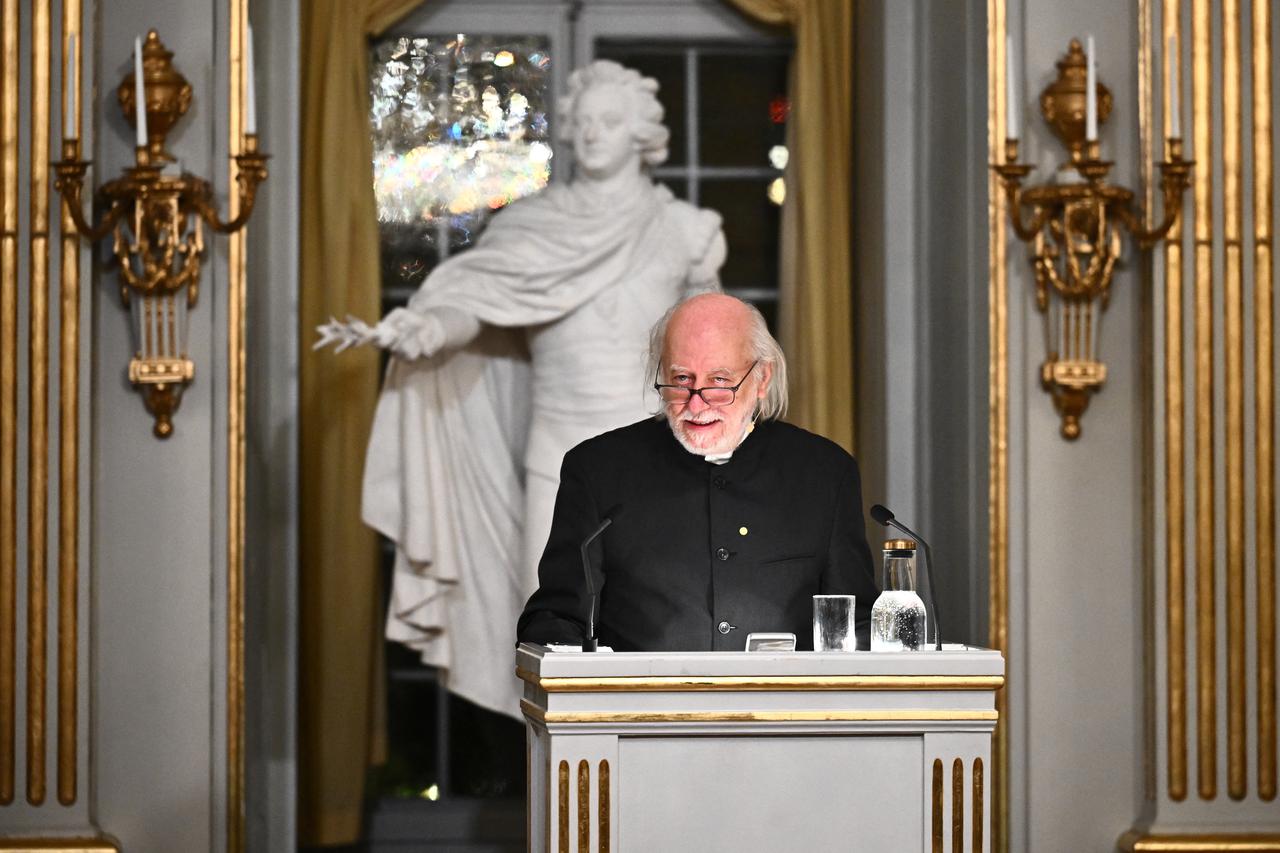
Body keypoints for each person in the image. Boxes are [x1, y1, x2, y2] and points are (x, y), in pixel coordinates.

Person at [318, 60, 727, 717]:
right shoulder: (529, 229)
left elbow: (713, 347)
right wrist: (429, 326)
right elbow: (477, 306)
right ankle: (561, 806)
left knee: (660, 634)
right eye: (582, 120)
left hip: (659, 460)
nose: (593, 133)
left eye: (610, 121)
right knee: (555, 637)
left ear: (641, 132)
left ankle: (645, 806)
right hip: (557, 459)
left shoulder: (687, 231)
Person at [517, 293, 878, 651]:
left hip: (782, 708)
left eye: (719, 381)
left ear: (762, 379)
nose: (696, 403)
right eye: (681, 379)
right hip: (641, 707)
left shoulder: (824, 473)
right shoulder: (597, 470)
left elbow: (856, 623)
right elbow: (556, 618)